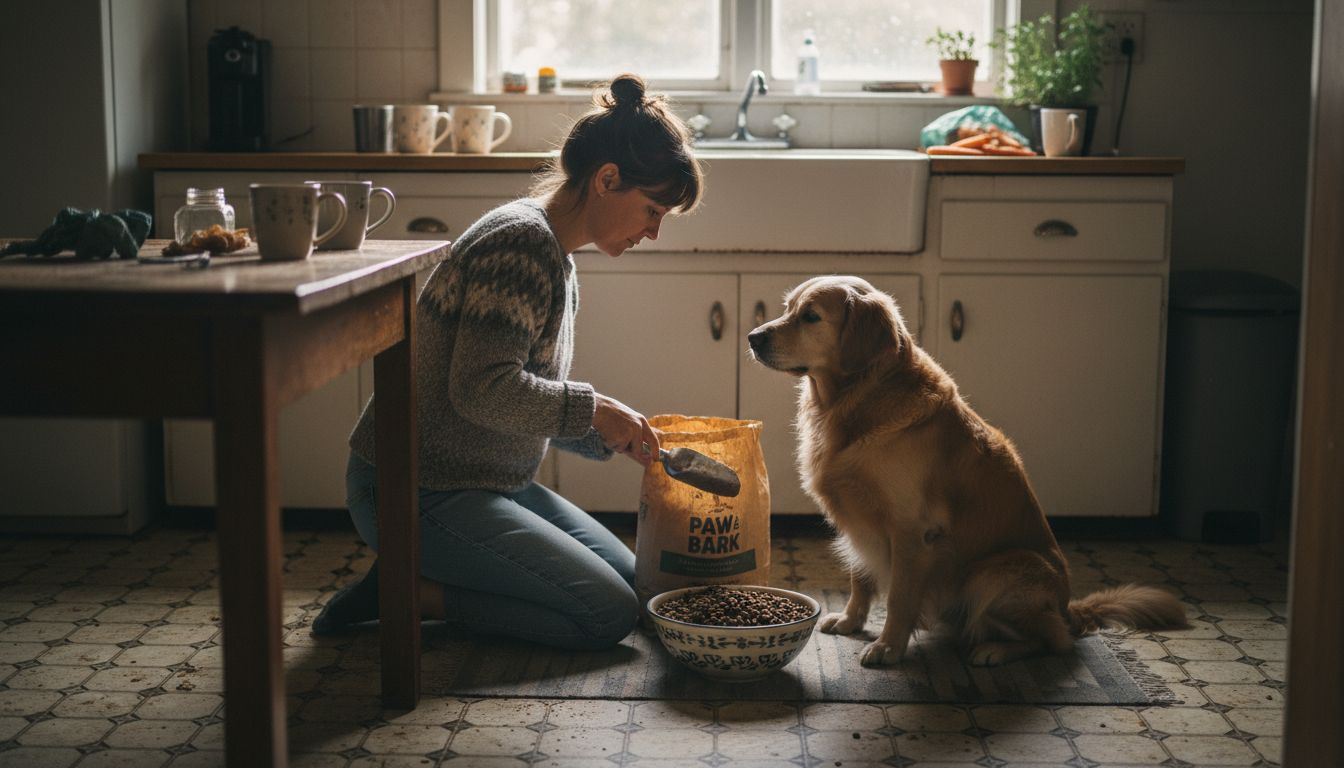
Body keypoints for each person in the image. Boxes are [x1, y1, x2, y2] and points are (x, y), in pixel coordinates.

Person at [310, 73, 704, 650]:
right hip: (416, 488)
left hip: (490, 482)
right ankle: (411, 592)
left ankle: (431, 577)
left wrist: (609, 434)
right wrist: (594, 410)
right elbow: (483, 389)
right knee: (607, 614)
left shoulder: (554, 254)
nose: (654, 230)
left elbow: (523, 397)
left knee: (638, 588)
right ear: (607, 180)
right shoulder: (520, 245)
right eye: (652, 210)